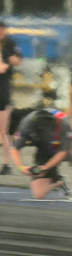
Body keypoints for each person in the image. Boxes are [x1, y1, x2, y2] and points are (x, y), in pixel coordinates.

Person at [9, 108, 72, 200]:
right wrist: (21, 167)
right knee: (39, 194)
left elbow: (63, 151)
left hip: (63, 147)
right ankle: (60, 182)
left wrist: (46, 167)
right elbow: (14, 148)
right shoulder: (26, 123)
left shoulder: (63, 121)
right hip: (44, 150)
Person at [0, 20, 23, 175]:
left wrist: (10, 61)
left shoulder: (9, 44)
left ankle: (7, 164)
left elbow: (18, 60)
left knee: (3, 130)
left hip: (3, 90)